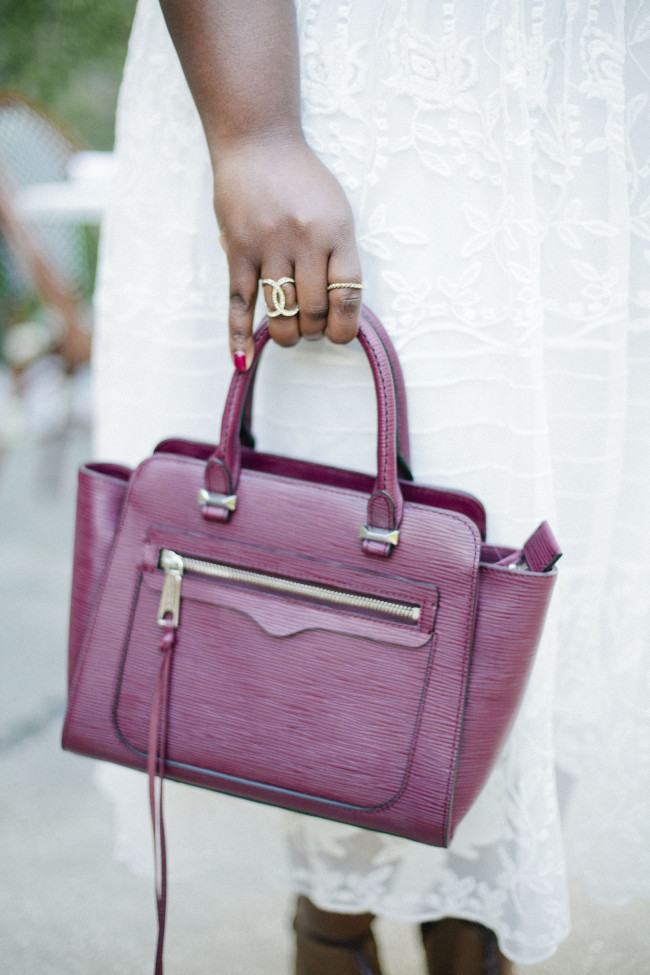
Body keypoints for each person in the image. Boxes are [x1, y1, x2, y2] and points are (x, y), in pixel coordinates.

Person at [93, 1, 650, 971]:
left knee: (569, 491)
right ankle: (331, 932)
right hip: (331, 80)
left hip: (581, 120)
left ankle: (465, 937)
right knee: (308, 505)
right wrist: (251, 131)